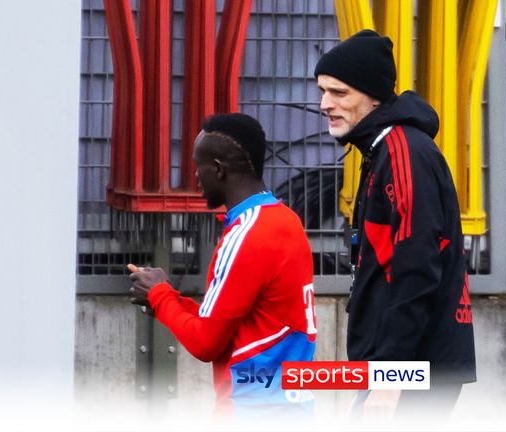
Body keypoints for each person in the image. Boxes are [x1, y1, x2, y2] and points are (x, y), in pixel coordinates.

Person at [314, 29, 476, 419]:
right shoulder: (385, 147)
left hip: (411, 371)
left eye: (339, 93)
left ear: (372, 96)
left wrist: (389, 381)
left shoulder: (403, 150)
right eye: (323, 90)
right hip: (402, 368)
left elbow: (416, 267)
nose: (324, 104)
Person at [128, 113, 317, 419]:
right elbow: (227, 323)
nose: (194, 176)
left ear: (217, 169)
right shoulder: (284, 220)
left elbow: (206, 343)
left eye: (197, 166)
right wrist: (165, 297)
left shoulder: (246, 235)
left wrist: (161, 297)